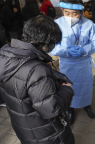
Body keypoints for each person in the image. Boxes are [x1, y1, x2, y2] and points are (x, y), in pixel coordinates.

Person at [0, 15, 75, 144]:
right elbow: (50, 109)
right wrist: (66, 90)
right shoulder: (36, 69)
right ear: (46, 44)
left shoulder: (5, 54)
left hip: (23, 126)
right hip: (46, 133)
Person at [50, 0, 95, 124]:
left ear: (81, 12)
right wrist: (66, 51)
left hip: (83, 64)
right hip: (67, 64)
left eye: (75, 14)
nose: (71, 17)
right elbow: (51, 46)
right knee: (69, 87)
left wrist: (85, 49)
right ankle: (71, 109)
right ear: (62, 10)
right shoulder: (56, 25)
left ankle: (86, 105)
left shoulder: (89, 24)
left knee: (85, 86)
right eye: (67, 13)